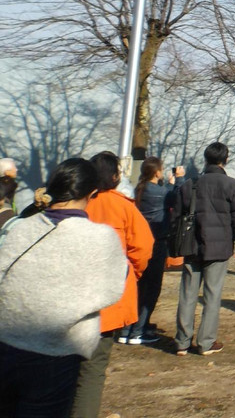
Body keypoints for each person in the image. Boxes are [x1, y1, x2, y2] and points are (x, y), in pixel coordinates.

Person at [0, 158, 126, 418]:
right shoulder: (100, 238)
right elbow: (113, 288)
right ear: (92, 194)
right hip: (56, 352)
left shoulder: (21, 227)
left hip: (6, 343)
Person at [70, 151, 154, 418]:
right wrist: (132, 274)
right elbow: (143, 247)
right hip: (107, 298)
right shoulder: (124, 206)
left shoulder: (75, 204)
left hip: (70, 295)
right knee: (93, 370)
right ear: (116, 176)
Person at [173, 141, 235, 356]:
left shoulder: (189, 185)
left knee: (187, 294)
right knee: (212, 295)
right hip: (219, 246)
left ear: (205, 160)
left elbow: (177, 216)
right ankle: (206, 342)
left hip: (191, 245)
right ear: (225, 159)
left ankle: (182, 341)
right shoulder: (232, 185)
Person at [117, 158, 184, 345]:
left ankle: (126, 328)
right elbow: (178, 199)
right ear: (157, 172)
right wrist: (179, 180)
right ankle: (139, 330)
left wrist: (168, 185)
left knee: (136, 286)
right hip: (156, 243)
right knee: (152, 288)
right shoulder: (160, 192)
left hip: (136, 242)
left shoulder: (139, 189)